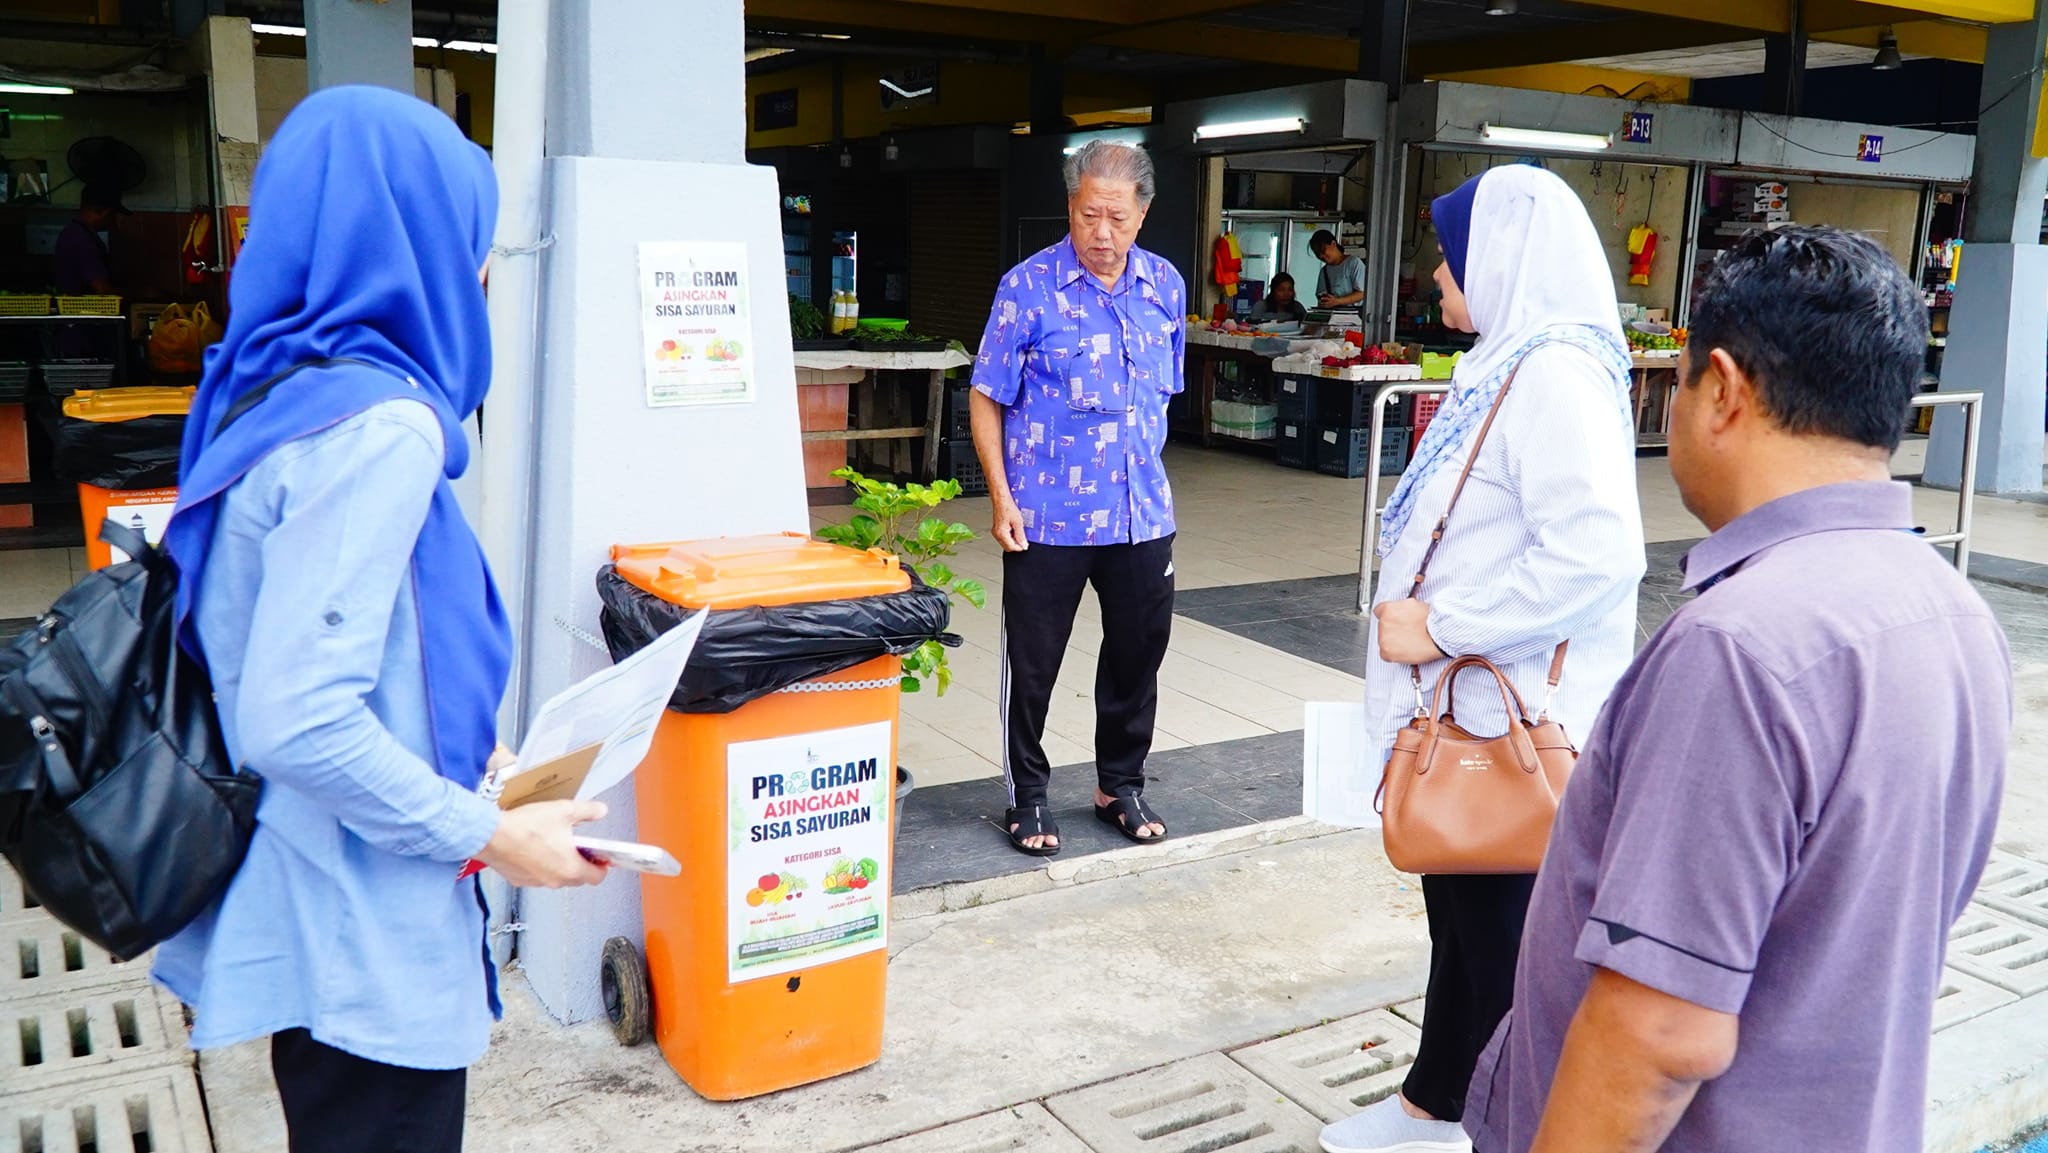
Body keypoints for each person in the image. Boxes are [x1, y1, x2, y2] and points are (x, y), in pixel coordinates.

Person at [1463, 228, 2010, 1153]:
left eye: (1676, 382)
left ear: (1722, 389)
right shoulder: (1952, 611)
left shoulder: (1740, 648)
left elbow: (1659, 1030)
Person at [151, 87, 609, 1153]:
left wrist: (475, 759)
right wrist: (495, 834)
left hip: (297, 887)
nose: (482, 272)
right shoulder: (381, 426)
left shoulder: (264, 388)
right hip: (362, 925)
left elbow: (308, 644)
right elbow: (299, 716)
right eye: (471, 238)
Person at [1320, 165, 1645, 1153]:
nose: (1434, 269)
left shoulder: (1552, 374)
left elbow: (1594, 548)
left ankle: (1505, 1124)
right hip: (1465, 708)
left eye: (1450, 249)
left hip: (1508, 713)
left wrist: (1443, 621)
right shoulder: (1506, 361)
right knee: (1457, 918)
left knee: (1504, 943)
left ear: (1503, 256)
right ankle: (1436, 1096)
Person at [968, 139, 1186, 857]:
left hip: (1141, 515)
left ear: (1143, 213)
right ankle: (1026, 794)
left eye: (1117, 217)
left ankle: (1118, 784)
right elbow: (986, 395)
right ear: (1070, 206)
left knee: (1136, 655)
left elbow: (1159, 400)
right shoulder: (1026, 287)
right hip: (1045, 518)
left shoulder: (1165, 287)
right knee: (1033, 665)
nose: (1102, 233)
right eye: (1089, 214)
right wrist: (1001, 497)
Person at [53, 182, 123, 297]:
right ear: (100, 211)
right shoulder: (81, 239)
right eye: (112, 214)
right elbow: (102, 290)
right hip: (81, 310)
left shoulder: (76, 232)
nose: (113, 219)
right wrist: (141, 293)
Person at [1310, 229, 1366, 310]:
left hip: (1353, 316)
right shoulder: (1324, 271)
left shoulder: (1353, 263)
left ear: (1333, 244)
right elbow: (1321, 294)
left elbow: (1362, 293)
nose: (1321, 256)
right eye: (1317, 254)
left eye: (1323, 251)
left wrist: (1337, 301)